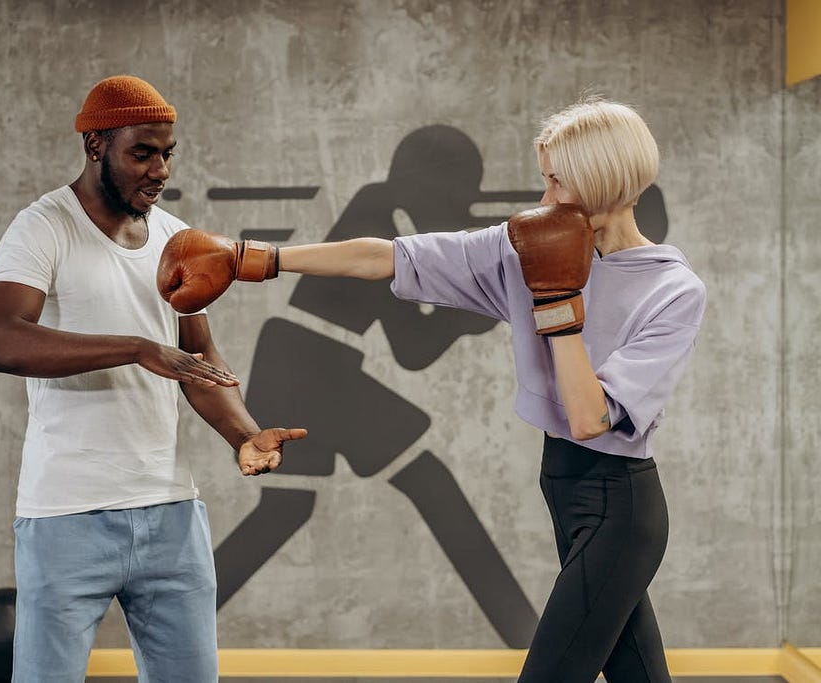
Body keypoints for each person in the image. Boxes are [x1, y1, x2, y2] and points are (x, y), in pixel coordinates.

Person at [161, 97, 706, 682]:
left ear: (600, 182)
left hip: (618, 505)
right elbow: (385, 258)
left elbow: (588, 417)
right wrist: (254, 259)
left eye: (556, 182)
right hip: (564, 486)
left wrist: (554, 303)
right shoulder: (522, 244)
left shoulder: (673, 292)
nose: (544, 198)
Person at [0, 75, 306, 683]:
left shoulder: (177, 239)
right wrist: (135, 348)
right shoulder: (44, 226)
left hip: (171, 515)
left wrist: (244, 436)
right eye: (142, 152)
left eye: (167, 153)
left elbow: (197, 359)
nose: (159, 169)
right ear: (96, 146)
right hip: (66, 515)